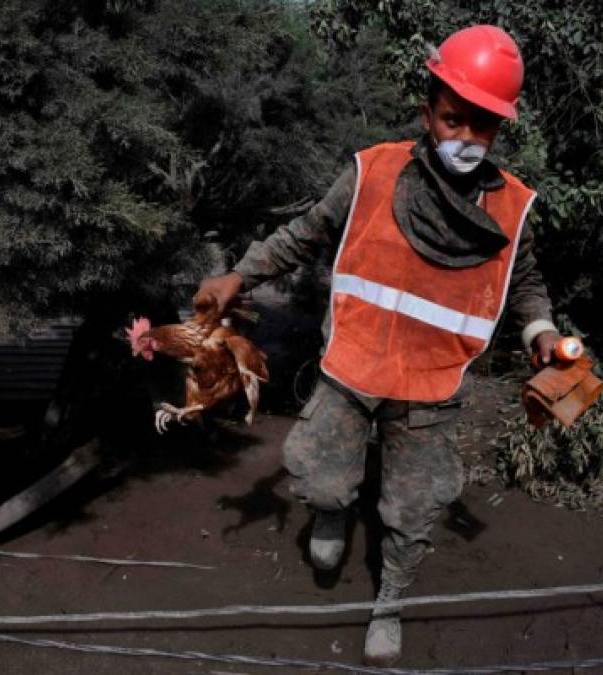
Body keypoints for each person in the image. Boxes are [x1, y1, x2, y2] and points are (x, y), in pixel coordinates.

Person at [197, 24, 560, 666]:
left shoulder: (512, 210)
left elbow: (523, 284)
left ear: (500, 129)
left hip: (433, 382)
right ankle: (334, 516)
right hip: (352, 364)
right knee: (321, 474)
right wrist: (240, 273)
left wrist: (542, 333)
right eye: (454, 121)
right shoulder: (373, 171)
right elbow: (303, 236)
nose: (468, 140)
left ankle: (389, 599)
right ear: (428, 113)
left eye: (484, 127)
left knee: (414, 506)